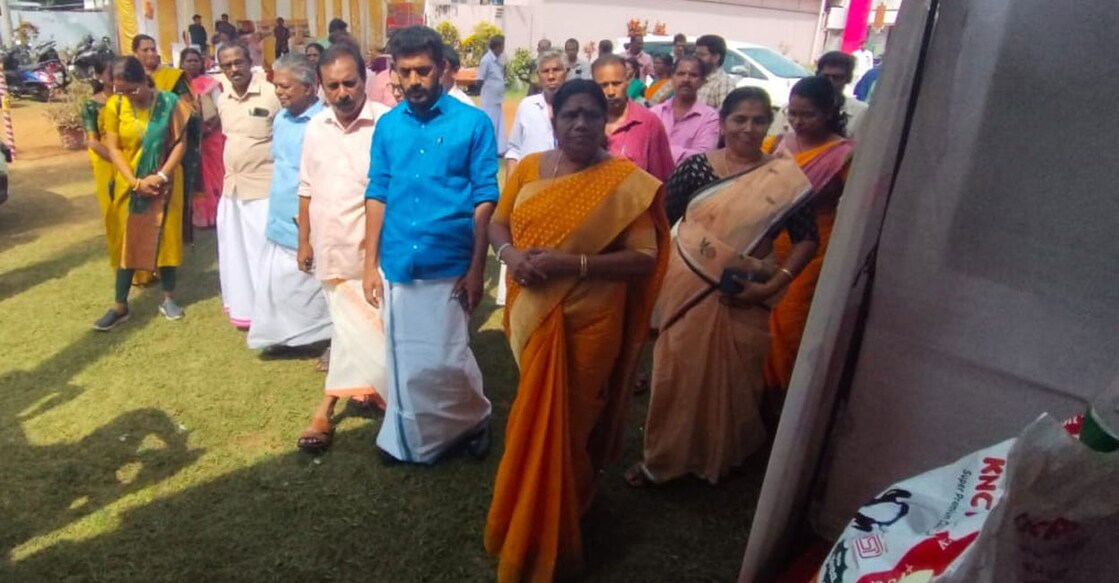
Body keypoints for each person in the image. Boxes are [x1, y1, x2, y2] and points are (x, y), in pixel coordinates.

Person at [484, 79, 670, 583]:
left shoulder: (624, 182)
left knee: (572, 425)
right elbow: (498, 224)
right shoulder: (527, 168)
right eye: (571, 115)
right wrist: (510, 255)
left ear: (605, 120)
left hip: (591, 321)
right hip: (532, 314)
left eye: (591, 114)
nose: (581, 123)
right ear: (554, 118)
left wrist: (574, 263)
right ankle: (533, 515)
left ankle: (565, 515)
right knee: (533, 416)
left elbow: (644, 258)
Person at [627, 88, 817, 486]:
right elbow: (663, 224)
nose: (749, 129)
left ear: (771, 124)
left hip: (748, 291)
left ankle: (722, 452)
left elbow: (806, 239)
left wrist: (773, 287)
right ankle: (663, 458)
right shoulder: (697, 169)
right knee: (675, 368)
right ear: (724, 122)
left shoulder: (785, 178)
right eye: (739, 120)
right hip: (688, 282)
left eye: (759, 120)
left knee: (737, 372)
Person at [363, 25, 495, 464]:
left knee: (447, 358)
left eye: (423, 70)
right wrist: (369, 265)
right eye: (405, 72)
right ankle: (407, 440)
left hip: (452, 261)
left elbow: (484, 198)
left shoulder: (472, 123)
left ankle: (473, 417)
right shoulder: (387, 127)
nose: (414, 81)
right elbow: (377, 193)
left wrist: (478, 269)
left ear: (441, 69)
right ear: (394, 74)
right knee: (404, 359)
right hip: (400, 260)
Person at [296, 43, 393, 452]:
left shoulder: (387, 124)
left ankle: (332, 408)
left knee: (375, 331)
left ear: (364, 80)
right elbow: (306, 188)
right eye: (332, 85)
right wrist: (304, 240)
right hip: (331, 248)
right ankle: (381, 397)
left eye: (349, 83)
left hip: (375, 255)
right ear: (321, 86)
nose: (342, 93)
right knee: (347, 329)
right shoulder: (316, 127)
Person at [763, 76, 854, 393]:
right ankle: (757, 392)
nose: (798, 122)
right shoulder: (776, 144)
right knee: (761, 317)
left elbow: (859, 203)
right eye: (793, 113)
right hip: (771, 241)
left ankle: (786, 399)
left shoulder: (843, 154)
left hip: (814, 246)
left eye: (808, 115)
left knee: (790, 319)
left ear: (829, 112)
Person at [92, 57, 192, 330]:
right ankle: (120, 305)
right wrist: (135, 182)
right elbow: (113, 149)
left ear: (145, 81)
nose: (126, 96)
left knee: (167, 236)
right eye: (119, 90)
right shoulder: (116, 105)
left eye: (132, 89)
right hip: (131, 183)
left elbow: (180, 144)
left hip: (166, 181)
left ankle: (169, 298)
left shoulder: (169, 102)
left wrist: (160, 176)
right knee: (129, 239)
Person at [247, 52, 332, 356]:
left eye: (286, 87)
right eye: (276, 86)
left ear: (309, 89)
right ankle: (288, 337)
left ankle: (333, 340)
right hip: (280, 213)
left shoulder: (323, 123)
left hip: (307, 218)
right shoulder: (281, 119)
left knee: (316, 285)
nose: (279, 92)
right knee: (281, 284)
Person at [215, 42, 282, 330]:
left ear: (250, 61)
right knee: (236, 255)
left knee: (264, 256)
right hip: (233, 190)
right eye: (227, 65)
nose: (233, 69)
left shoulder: (271, 94)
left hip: (264, 190)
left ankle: (274, 313)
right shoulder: (223, 99)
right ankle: (246, 310)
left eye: (238, 63)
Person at [592, 54, 674, 183]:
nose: (611, 91)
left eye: (616, 83)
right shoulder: (584, 123)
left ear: (627, 81)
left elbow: (660, 181)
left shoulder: (648, 123)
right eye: (603, 85)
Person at [180, 47, 224, 228]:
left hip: (211, 137)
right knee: (193, 176)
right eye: (188, 61)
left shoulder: (210, 83)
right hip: (187, 139)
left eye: (195, 60)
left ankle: (215, 215)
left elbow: (221, 109)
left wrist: (208, 129)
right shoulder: (178, 85)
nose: (192, 64)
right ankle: (196, 217)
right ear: (181, 64)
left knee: (213, 176)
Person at [651, 55, 720, 166]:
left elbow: (703, 158)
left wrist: (661, 152)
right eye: (681, 74)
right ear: (672, 78)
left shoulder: (710, 117)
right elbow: (644, 150)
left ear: (702, 81)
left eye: (693, 75)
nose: (686, 79)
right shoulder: (655, 113)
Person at [505, 49, 566, 176]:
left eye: (556, 70)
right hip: (529, 186)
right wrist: (510, 189)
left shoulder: (576, 109)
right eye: (545, 71)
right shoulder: (527, 106)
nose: (551, 76)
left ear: (566, 72)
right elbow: (514, 150)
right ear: (538, 75)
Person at [83, 57, 118, 271]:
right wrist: (116, 158)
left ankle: (147, 266)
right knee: (113, 212)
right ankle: (123, 265)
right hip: (106, 161)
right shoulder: (91, 105)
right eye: (109, 73)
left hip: (132, 157)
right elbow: (92, 141)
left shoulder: (128, 98)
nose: (114, 77)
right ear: (99, 76)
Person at [816, 51, 868, 139]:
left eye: (837, 78)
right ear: (817, 76)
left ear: (848, 79)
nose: (830, 82)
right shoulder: (796, 109)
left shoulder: (861, 112)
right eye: (825, 77)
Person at [478, 35, 508, 156]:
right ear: (497, 47)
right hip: (489, 99)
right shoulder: (486, 60)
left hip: (497, 98)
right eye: (502, 46)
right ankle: (488, 148)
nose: (503, 49)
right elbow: (480, 79)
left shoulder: (499, 58)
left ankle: (499, 149)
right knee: (490, 122)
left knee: (499, 123)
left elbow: (502, 73)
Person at [695, 34, 735, 109]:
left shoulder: (724, 82)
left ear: (716, 57)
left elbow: (725, 115)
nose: (697, 58)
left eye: (702, 55)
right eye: (696, 54)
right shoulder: (697, 79)